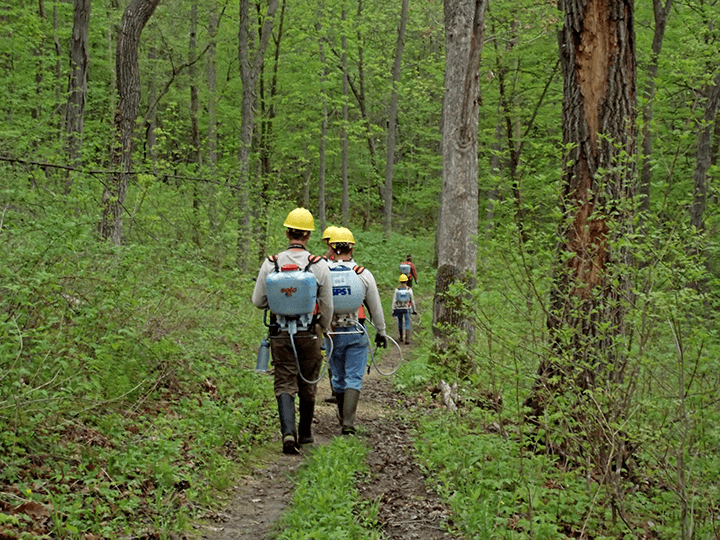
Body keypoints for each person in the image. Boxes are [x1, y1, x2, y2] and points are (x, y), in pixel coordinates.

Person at [251, 208, 334, 455]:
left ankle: (288, 433)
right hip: (309, 333)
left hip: (279, 333)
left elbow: (258, 300)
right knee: (308, 380)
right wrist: (324, 326)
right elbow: (328, 305)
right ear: (308, 235)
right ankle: (306, 434)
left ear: (287, 232)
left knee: (284, 381)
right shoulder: (319, 266)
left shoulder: (271, 263)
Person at [326, 227, 388, 435]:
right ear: (352, 247)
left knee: (338, 375)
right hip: (355, 330)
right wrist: (381, 331)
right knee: (354, 376)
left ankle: (342, 415)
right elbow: (376, 308)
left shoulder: (323, 271)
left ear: (331, 247)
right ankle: (348, 422)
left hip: (332, 333)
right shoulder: (363, 274)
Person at [392, 274, 418, 344]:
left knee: (400, 322)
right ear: (406, 281)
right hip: (407, 308)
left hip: (399, 308)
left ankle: (401, 337)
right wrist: (414, 310)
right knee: (407, 322)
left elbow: (394, 300)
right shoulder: (409, 290)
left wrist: (393, 310)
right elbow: (412, 300)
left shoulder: (397, 290)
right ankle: (407, 339)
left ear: (400, 281)